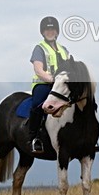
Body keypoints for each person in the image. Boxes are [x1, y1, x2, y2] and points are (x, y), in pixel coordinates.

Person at [28, 16, 70, 154]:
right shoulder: (39, 48)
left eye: (52, 29)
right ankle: (34, 138)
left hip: (61, 85)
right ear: (43, 32)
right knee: (38, 105)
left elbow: (70, 68)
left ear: (57, 32)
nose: (50, 31)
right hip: (44, 84)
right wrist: (52, 79)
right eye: (47, 29)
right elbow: (38, 70)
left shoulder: (64, 50)